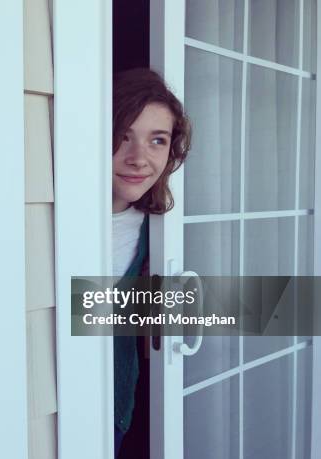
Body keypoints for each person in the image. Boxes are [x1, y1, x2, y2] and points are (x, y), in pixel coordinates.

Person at [112, 68, 191, 457]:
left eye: (156, 140)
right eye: (123, 135)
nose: (138, 158)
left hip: (113, 408)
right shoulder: (54, 221)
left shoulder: (154, 231)